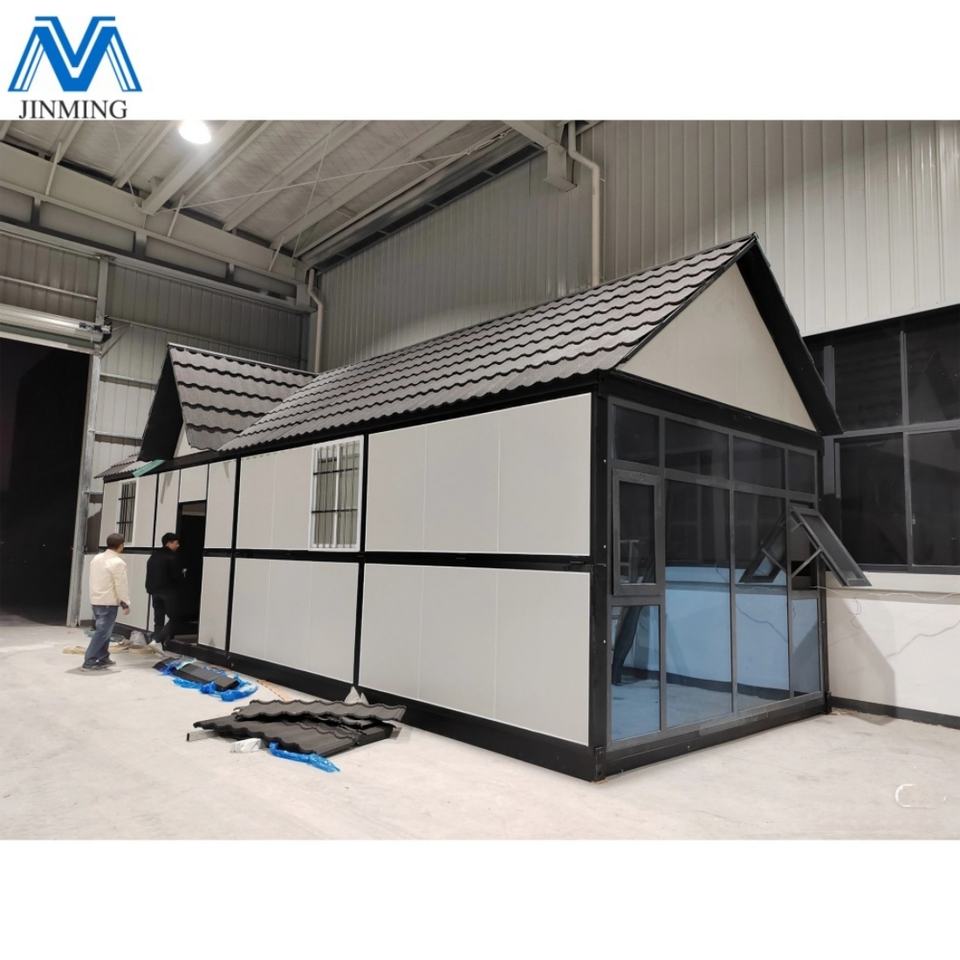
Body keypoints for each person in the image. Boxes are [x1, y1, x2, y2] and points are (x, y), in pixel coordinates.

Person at [84, 533, 130, 670]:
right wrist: (125, 603)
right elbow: (121, 585)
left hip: (96, 599)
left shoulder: (97, 558)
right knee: (103, 632)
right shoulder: (118, 563)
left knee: (105, 631)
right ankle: (90, 661)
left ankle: (103, 657)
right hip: (108, 602)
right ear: (121, 546)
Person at [146, 532, 181, 648]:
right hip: (168, 591)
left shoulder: (154, 555)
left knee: (158, 618)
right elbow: (176, 575)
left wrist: (149, 588)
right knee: (175, 617)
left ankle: (157, 644)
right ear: (169, 543)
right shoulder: (172, 557)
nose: (178, 545)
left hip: (154, 591)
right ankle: (157, 641)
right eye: (176, 543)